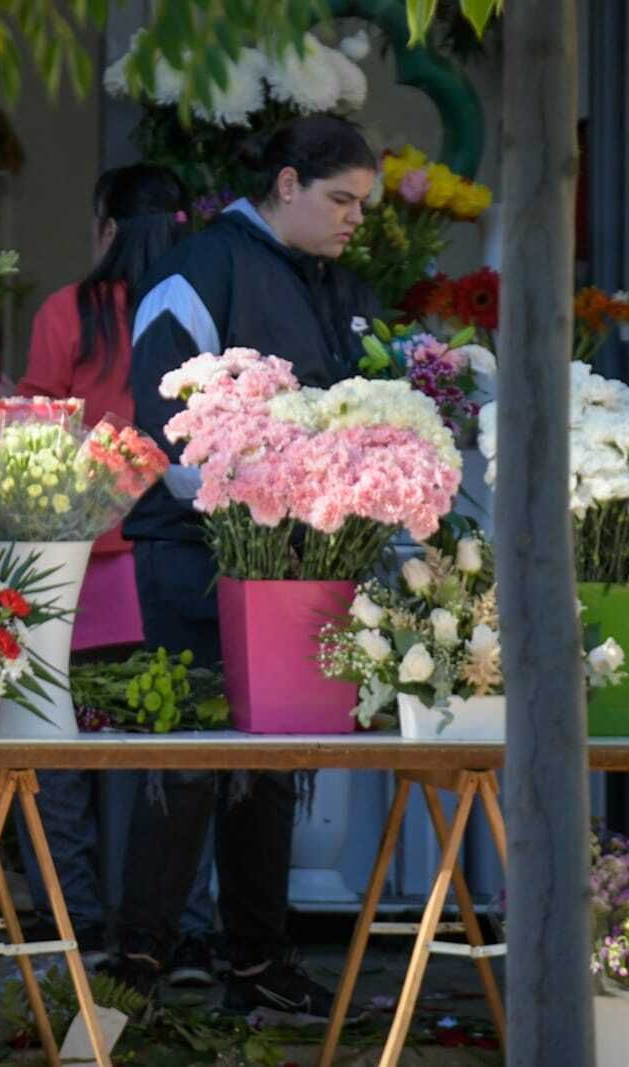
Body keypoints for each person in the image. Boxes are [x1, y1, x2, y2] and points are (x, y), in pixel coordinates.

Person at [112, 114, 383, 1017]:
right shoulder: (200, 268)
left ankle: (257, 960)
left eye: (364, 205)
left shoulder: (334, 282)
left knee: (274, 760)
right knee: (186, 760)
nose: (354, 218)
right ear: (287, 183)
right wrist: (250, 501)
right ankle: (136, 964)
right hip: (194, 552)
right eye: (341, 199)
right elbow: (164, 420)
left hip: (294, 560)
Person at [10, 163, 219, 987]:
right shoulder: (196, 305)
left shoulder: (72, 309)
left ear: (106, 228)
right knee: (173, 755)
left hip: (82, 564)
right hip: (176, 558)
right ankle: (175, 933)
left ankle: (78, 922)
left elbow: (35, 423)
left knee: (58, 754)